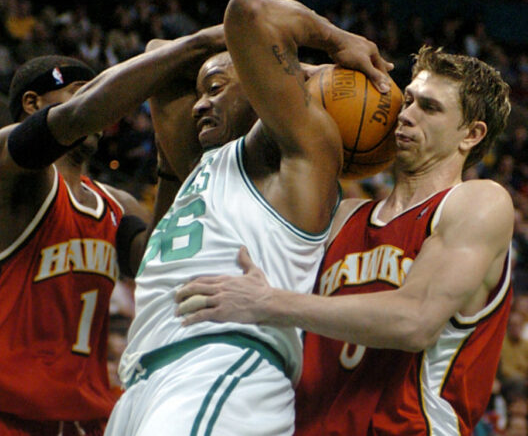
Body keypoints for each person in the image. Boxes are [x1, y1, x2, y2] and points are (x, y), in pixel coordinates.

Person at [176, 45, 513, 435]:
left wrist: (269, 301)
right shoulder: (344, 216)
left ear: (471, 134)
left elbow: (415, 321)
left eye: (430, 108)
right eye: (409, 100)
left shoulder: (477, 202)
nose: (405, 115)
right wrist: (320, 79)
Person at [104, 0, 393, 435]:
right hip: (148, 378)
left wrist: (334, 43)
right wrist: (212, 58)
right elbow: (160, 57)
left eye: (216, 89)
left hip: (222, 366)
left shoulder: (298, 160)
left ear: (262, 90)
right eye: (201, 92)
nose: (201, 103)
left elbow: (250, 12)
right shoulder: (206, 169)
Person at [0, 30, 240, 434]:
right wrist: (196, 46)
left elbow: (153, 266)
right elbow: (81, 116)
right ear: (32, 103)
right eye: (82, 91)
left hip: (79, 417)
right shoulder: (3, 164)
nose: (98, 104)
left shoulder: (117, 205)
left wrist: (169, 160)